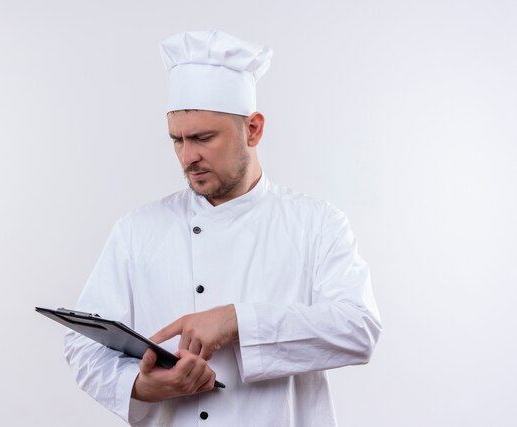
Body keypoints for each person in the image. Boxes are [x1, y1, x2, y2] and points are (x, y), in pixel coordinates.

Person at [64, 30, 382, 426]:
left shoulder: (315, 223)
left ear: (253, 129)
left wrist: (235, 321)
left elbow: (359, 329)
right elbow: (82, 347)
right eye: (177, 140)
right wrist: (143, 386)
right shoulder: (137, 231)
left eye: (203, 138)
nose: (188, 156)